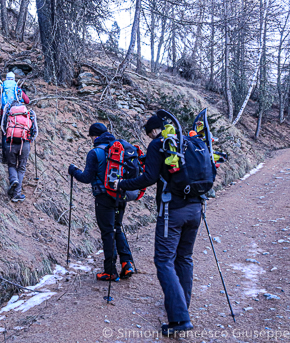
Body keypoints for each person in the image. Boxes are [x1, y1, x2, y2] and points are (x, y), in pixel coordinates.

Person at [114, 114, 199, 337]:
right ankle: (181, 305)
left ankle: (179, 318)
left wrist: (123, 184)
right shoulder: (186, 141)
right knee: (184, 257)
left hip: (172, 211)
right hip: (196, 209)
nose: (149, 136)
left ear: (154, 130)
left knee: (163, 260)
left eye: (148, 133)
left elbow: (149, 178)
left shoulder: (157, 143)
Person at [67, 123, 135, 282]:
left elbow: (86, 178)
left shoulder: (95, 153)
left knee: (107, 232)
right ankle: (127, 263)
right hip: (120, 195)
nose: (91, 139)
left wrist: (73, 171)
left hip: (104, 199)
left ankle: (110, 271)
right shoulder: (119, 149)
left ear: (95, 136)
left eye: (91, 136)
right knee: (117, 227)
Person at [0, 101, 37, 202]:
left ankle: (14, 180)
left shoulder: (8, 113)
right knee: (21, 168)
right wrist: (29, 140)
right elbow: (35, 131)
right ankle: (17, 193)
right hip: (24, 143)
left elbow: (3, 128)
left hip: (11, 143)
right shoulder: (29, 114)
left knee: (12, 165)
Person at [0, 72, 30, 163]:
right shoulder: (17, 88)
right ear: (13, 79)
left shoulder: (2, 86)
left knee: (4, 134)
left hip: (4, 112)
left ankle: (5, 157)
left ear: (6, 78)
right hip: (16, 114)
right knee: (14, 131)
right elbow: (27, 101)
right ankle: (15, 155)